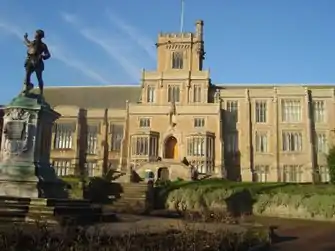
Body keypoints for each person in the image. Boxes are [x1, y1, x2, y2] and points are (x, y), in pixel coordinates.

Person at [23, 29, 51, 96]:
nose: (34, 35)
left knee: (39, 78)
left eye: (35, 34)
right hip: (30, 60)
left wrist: (43, 56)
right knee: (27, 76)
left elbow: (48, 54)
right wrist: (25, 38)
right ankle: (27, 89)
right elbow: (28, 43)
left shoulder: (43, 45)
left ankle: (41, 93)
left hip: (38, 62)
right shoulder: (33, 43)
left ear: (38, 35)